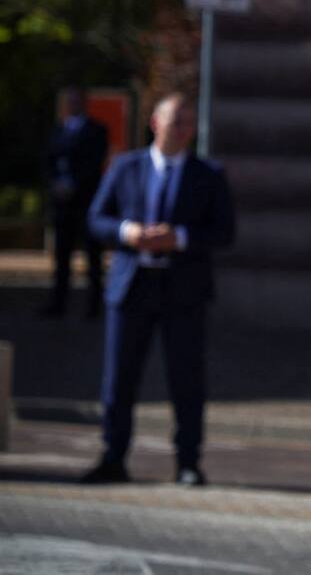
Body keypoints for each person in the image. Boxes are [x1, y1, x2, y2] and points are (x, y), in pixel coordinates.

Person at [81, 93, 236, 486]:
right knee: (119, 378)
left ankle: (188, 462)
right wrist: (128, 232)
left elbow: (224, 232)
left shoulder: (209, 174)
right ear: (155, 123)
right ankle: (113, 457)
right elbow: (96, 219)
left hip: (183, 290)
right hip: (132, 286)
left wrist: (179, 238)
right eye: (175, 121)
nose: (182, 129)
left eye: (188, 123)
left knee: (187, 379)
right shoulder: (126, 167)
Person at [43, 86, 109, 318]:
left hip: (86, 201)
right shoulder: (58, 130)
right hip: (62, 204)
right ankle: (58, 303)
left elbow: (94, 164)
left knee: (93, 257)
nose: (71, 105)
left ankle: (94, 306)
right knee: (62, 256)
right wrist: (55, 184)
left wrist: (73, 184)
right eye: (68, 101)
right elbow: (48, 161)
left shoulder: (97, 130)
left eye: (75, 101)